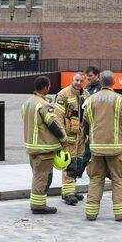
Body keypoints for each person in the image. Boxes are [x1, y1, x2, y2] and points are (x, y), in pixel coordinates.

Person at [83, 70, 122, 221]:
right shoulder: (119, 100)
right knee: (119, 179)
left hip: (96, 147)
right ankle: (121, 213)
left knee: (95, 179)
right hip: (116, 148)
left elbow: (85, 124)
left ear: (100, 80)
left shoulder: (91, 100)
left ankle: (91, 213)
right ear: (113, 82)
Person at [21, 76, 68, 214]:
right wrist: (63, 138)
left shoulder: (27, 103)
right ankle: (38, 206)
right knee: (43, 177)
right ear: (45, 87)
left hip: (31, 146)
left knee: (37, 175)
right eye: (49, 86)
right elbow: (53, 124)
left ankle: (37, 203)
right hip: (43, 147)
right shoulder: (44, 105)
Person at [54, 72, 89, 205]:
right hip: (68, 136)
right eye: (76, 80)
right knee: (69, 164)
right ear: (72, 80)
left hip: (81, 136)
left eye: (81, 81)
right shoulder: (63, 94)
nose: (78, 83)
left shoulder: (86, 95)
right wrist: (62, 136)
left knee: (78, 164)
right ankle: (67, 193)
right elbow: (57, 117)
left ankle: (71, 190)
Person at [78, 66, 102, 178]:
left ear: (98, 75)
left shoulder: (101, 88)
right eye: (87, 76)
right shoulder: (87, 86)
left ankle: (79, 171)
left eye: (90, 76)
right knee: (83, 147)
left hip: (96, 122)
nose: (88, 78)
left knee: (88, 149)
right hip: (86, 121)